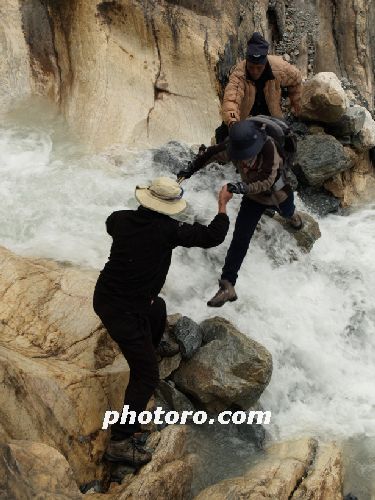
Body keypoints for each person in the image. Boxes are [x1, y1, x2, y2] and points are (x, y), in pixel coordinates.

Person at [93, 177, 232, 466]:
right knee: (147, 376)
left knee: (158, 307)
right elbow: (212, 237)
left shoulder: (119, 219)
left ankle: (151, 347)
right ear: (170, 207)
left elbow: (110, 226)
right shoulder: (169, 231)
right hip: (123, 311)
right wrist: (222, 206)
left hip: (109, 296)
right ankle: (120, 442)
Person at [177, 120, 303, 307]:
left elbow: (266, 180)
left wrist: (240, 187)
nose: (243, 159)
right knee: (240, 239)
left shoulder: (270, 148)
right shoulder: (235, 146)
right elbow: (211, 154)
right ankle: (227, 285)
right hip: (253, 199)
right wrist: (190, 169)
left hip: (278, 194)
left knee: (287, 211)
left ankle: (292, 216)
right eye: (240, 156)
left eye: (247, 156)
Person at [215, 32, 302, 143]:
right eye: (251, 67)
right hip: (245, 117)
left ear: (265, 63)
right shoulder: (239, 74)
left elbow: (296, 79)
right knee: (222, 135)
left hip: (271, 115)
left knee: (285, 141)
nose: (255, 72)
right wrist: (233, 122)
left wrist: (296, 106)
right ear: (247, 62)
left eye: (259, 68)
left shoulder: (280, 68)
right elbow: (231, 101)